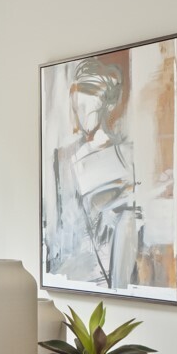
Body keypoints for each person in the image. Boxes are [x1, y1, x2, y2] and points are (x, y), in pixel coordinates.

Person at [48, 57, 141, 291]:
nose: (81, 110)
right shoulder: (63, 159)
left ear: (107, 103)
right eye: (79, 103)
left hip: (103, 282)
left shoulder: (124, 158)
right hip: (65, 279)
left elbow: (127, 230)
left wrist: (119, 289)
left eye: (90, 99)